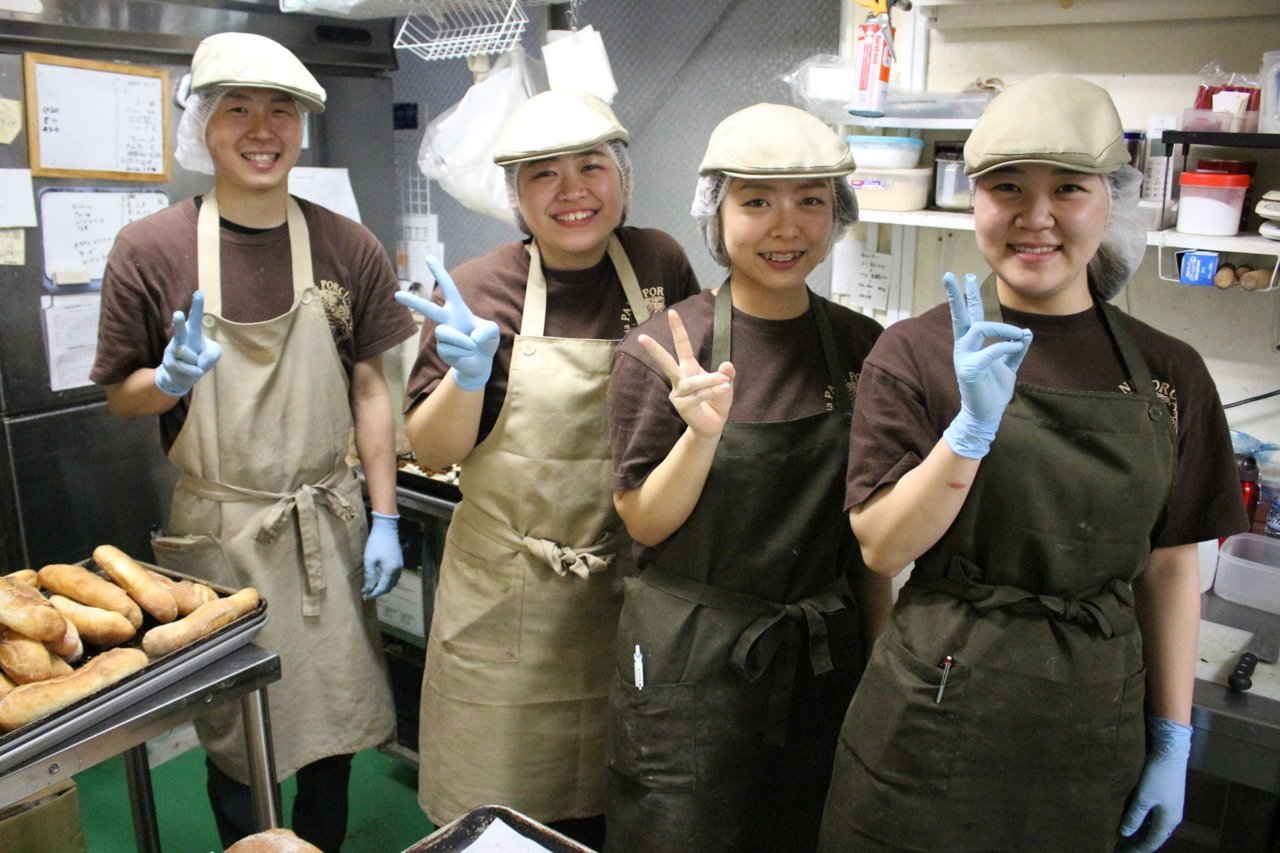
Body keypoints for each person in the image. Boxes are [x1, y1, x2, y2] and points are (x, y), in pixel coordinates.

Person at [818, 74, 1250, 852]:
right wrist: (969, 431)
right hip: (928, 719)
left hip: (1092, 727)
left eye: (1069, 189)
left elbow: (1171, 567)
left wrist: (1173, 736)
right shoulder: (914, 353)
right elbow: (883, 546)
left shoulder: (1169, 371)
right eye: (1007, 187)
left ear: (1110, 200)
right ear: (974, 199)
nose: (1036, 216)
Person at [91, 32, 414, 852]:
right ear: (202, 124)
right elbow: (120, 396)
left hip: (326, 522)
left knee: (337, 729)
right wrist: (163, 381)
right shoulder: (151, 249)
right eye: (237, 108)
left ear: (302, 127)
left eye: (282, 111)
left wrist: (383, 516)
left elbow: (371, 386)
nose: (262, 129)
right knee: (237, 740)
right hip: (223, 531)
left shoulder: (348, 244)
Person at [397, 89, 700, 848]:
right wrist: (467, 377)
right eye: (543, 175)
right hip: (506, 602)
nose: (573, 192)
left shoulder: (658, 264)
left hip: (627, 590)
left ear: (623, 179)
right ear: (516, 197)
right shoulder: (477, 287)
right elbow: (433, 452)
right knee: (499, 816)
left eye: (591, 167)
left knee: (615, 807)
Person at [603, 103, 892, 852]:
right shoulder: (667, 347)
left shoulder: (866, 349)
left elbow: (867, 537)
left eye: (811, 201)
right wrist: (700, 436)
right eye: (757, 200)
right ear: (716, 212)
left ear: (838, 214)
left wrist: (883, 665)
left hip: (820, 658)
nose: (785, 226)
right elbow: (644, 521)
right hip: (690, 662)